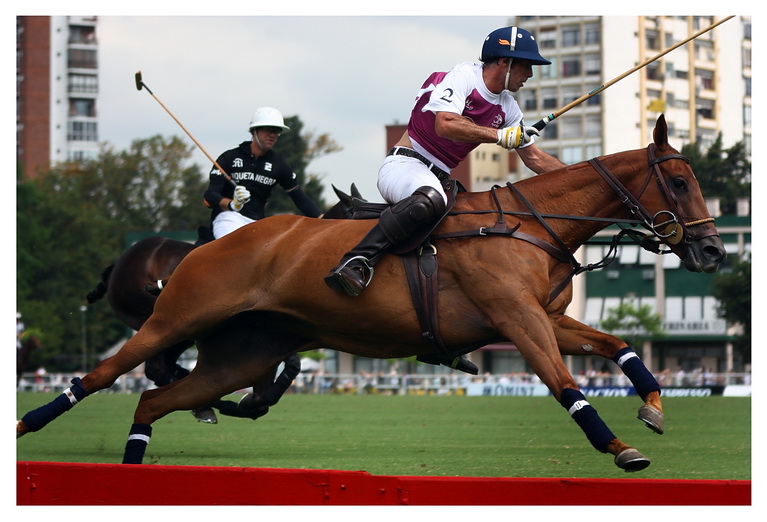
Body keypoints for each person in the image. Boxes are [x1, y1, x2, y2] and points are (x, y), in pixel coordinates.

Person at [324, 26, 565, 297]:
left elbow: (535, 158)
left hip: (440, 178)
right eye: (526, 66)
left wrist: (586, 175)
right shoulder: (464, 76)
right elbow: (445, 123)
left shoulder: (509, 108)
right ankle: (355, 262)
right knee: (431, 199)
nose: (530, 74)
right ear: (504, 62)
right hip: (404, 165)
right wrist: (499, 135)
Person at [204, 107, 322, 239]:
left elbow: (298, 196)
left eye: (276, 131)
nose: (272, 134)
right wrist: (232, 204)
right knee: (235, 245)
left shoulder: (278, 164)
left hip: (258, 223)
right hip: (228, 217)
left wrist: (323, 219)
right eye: (268, 129)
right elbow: (210, 196)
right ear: (254, 131)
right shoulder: (229, 157)